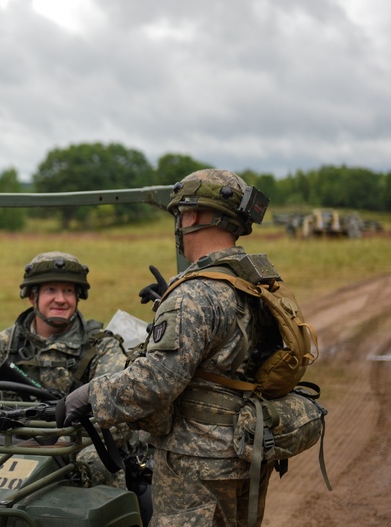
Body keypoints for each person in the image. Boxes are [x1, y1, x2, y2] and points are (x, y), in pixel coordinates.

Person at [63, 169, 283, 527]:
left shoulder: (194, 294)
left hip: (198, 463)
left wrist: (89, 394)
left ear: (192, 215)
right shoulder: (254, 282)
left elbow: (156, 383)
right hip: (246, 450)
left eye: (180, 216)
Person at [0, 251, 127, 401]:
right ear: (33, 297)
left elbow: (113, 405)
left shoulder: (101, 346)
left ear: (77, 297)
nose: (61, 299)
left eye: (68, 291)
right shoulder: (7, 343)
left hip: (79, 435)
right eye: (51, 290)